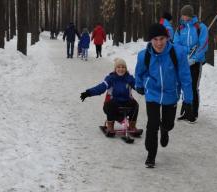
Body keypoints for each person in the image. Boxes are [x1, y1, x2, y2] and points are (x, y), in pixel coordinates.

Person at [134, 23, 194, 168]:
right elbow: (139, 73)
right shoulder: (144, 55)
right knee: (152, 124)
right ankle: (151, 154)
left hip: (170, 93)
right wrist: (140, 85)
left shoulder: (177, 53)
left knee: (168, 123)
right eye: (155, 39)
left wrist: (188, 100)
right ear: (150, 40)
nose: (159, 43)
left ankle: (165, 129)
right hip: (152, 93)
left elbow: (185, 77)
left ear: (167, 38)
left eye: (162, 39)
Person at [80, 58, 140, 137]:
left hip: (126, 102)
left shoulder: (129, 79)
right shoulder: (111, 78)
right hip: (112, 104)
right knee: (111, 104)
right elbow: (101, 87)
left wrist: (146, 90)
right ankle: (110, 127)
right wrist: (88, 93)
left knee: (135, 105)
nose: (121, 69)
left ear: (126, 68)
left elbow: (139, 87)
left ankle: (132, 126)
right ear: (115, 69)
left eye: (123, 67)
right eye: (118, 67)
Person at [174, 5, 209, 122]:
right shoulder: (180, 28)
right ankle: (185, 111)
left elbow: (203, 44)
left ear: (190, 15)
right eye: (182, 15)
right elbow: (176, 44)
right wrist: (186, 52)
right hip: (184, 61)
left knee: (193, 87)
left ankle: (193, 113)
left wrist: (194, 58)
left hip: (196, 62)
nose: (184, 17)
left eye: (186, 15)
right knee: (185, 86)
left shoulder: (200, 27)